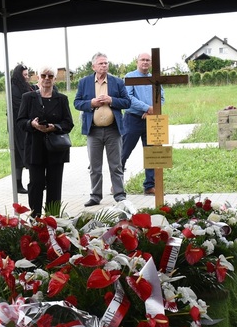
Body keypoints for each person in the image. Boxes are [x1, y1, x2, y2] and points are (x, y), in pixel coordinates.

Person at [73, 52, 133, 206]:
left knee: (116, 165)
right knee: (95, 166)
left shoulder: (117, 82)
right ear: (93, 66)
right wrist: (91, 103)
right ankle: (95, 196)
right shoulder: (84, 82)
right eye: (101, 63)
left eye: (106, 63)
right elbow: (77, 103)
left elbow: (127, 102)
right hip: (93, 130)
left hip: (113, 129)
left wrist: (111, 100)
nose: (104, 66)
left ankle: (119, 195)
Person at [17, 65, 74, 217]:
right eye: (43, 76)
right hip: (35, 147)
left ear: (54, 79)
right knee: (36, 184)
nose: (46, 79)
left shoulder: (61, 99)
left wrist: (55, 127)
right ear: (38, 77)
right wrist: (32, 124)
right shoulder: (28, 98)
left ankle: (53, 218)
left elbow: (68, 123)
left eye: (50, 76)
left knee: (54, 185)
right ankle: (35, 217)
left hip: (56, 148)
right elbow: (20, 121)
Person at [121, 52, 163, 195]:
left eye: (147, 60)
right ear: (137, 62)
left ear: (151, 63)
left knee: (151, 153)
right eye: (142, 60)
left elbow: (161, 97)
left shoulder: (154, 78)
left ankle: (150, 185)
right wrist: (146, 108)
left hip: (151, 119)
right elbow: (128, 98)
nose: (145, 62)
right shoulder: (130, 77)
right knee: (124, 152)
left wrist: (152, 111)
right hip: (132, 119)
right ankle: (117, 184)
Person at [9, 64, 32, 193]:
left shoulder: (25, 86)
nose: (27, 77)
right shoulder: (13, 88)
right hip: (17, 127)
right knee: (19, 154)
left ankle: (32, 181)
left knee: (26, 153)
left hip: (26, 125)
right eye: (25, 75)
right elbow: (20, 105)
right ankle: (18, 184)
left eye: (27, 75)